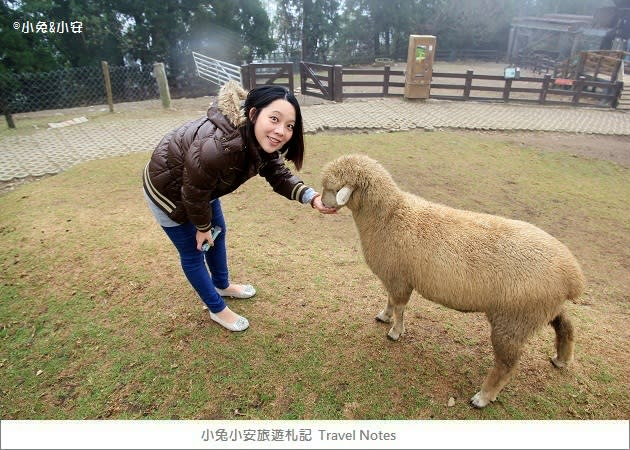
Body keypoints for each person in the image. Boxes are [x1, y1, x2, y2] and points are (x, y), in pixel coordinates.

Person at [143, 81, 336, 332]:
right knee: (194, 253)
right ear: (254, 114)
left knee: (218, 233)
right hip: (168, 193)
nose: (281, 131)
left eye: (289, 126)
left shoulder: (256, 137)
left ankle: (222, 285)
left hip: (200, 189)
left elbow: (277, 173)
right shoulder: (219, 147)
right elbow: (192, 192)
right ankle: (217, 310)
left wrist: (311, 197)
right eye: (274, 119)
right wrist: (202, 226)